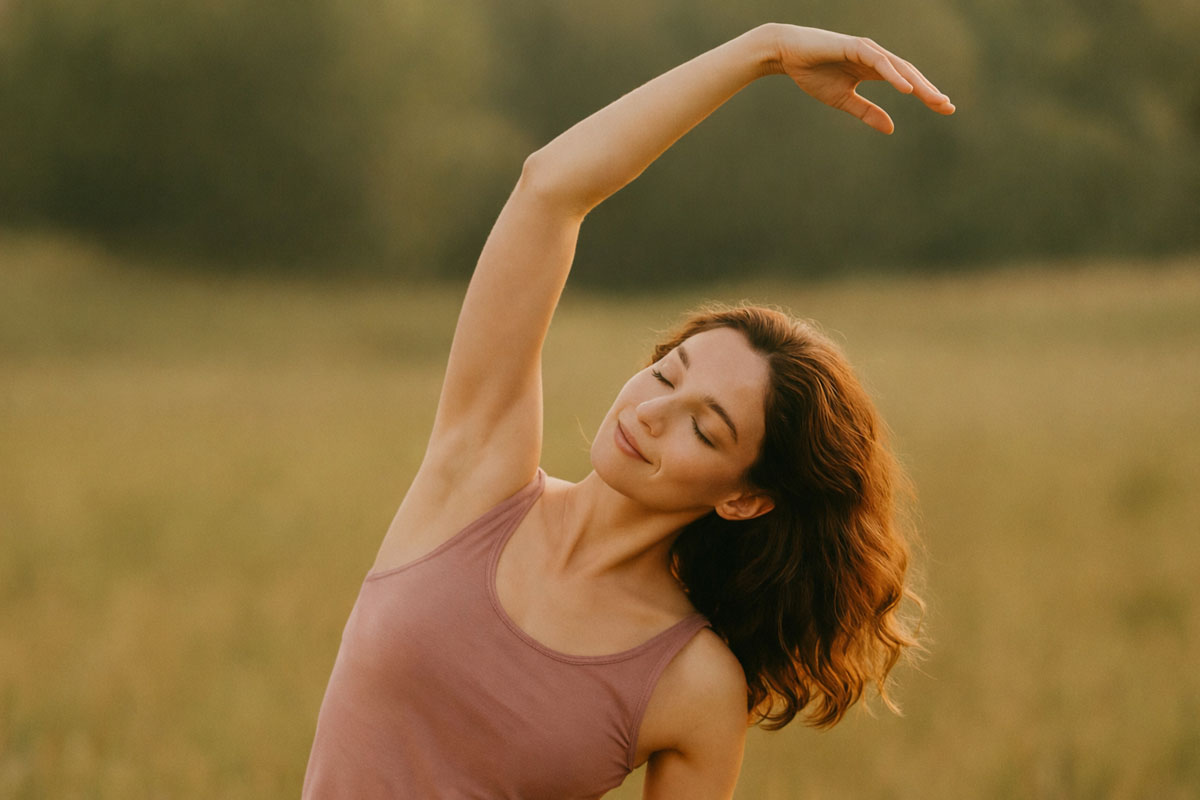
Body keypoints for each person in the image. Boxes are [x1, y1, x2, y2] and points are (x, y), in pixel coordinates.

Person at [302, 22, 954, 800]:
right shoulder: (475, 481)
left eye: (704, 427)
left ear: (743, 496)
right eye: (664, 375)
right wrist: (763, 50)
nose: (651, 413)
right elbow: (550, 187)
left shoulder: (693, 683)